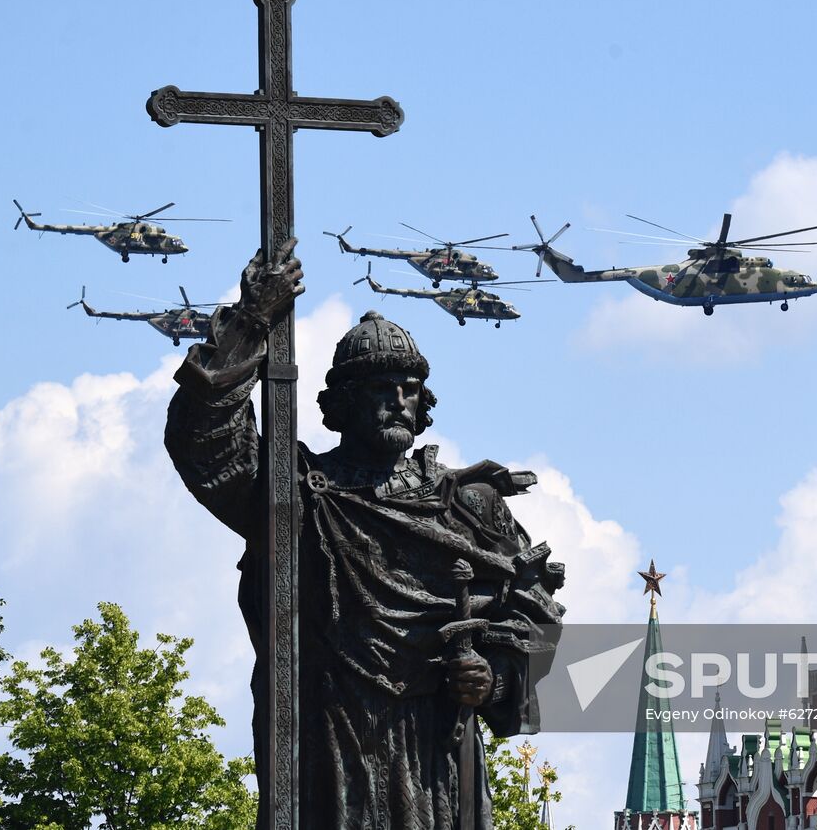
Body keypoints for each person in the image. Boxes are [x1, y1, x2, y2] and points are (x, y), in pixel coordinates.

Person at [164, 240, 565, 828]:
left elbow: (536, 617)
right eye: (382, 390)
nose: (399, 402)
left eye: (409, 389)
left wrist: (495, 676)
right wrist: (251, 321)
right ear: (342, 404)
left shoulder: (468, 508)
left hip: (436, 753)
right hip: (328, 736)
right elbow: (206, 443)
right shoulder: (295, 495)